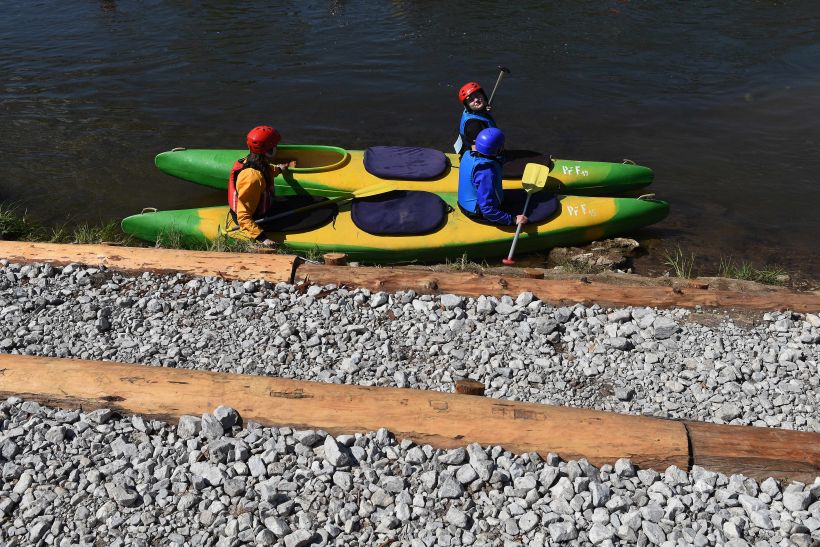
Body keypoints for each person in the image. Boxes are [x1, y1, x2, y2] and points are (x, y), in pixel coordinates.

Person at [227, 125, 288, 246]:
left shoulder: (252, 160)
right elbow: (243, 217)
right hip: (253, 219)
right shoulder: (252, 179)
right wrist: (262, 238)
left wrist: (279, 170)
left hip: (257, 209)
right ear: (269, 151)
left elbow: (265, 170)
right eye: (275, 146)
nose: (277, 148)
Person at [458, 128, 527, 226]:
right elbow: (487, 210)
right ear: (498, 149)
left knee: (522, 195)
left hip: (465, 202)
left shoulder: (467, 154)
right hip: (477, 212)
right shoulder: (487, 173)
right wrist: (513, 220)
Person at [454, 81, 497, 156]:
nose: (476, 100)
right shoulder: (474, 125)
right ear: (467, 105)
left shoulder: (471, 111)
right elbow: (478, 149)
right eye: (471, 100)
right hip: (477, 155)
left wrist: (484, 109)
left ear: (483, 95)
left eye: (477, 95)